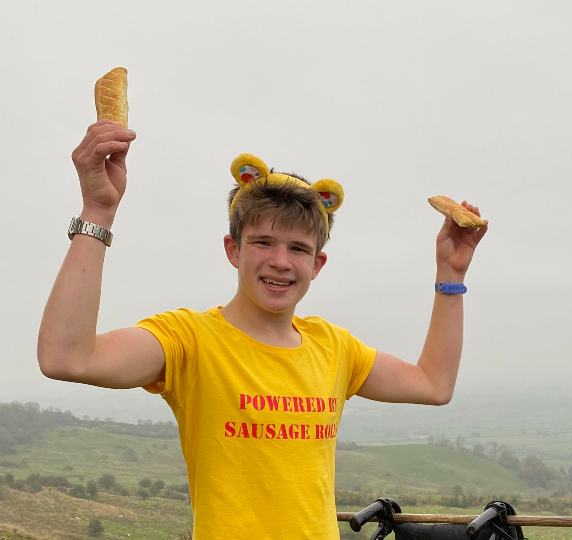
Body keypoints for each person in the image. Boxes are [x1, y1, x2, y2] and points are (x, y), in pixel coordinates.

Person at [37, 120, 489, 539]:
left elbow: (434, 384)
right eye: (262, 242)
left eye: (298, 248)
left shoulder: (333, 347)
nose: (280, 261)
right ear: (233, 250)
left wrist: (451, 274)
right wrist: (98, 211)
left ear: (318, 264)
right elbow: (65, 356)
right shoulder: (189, 340)